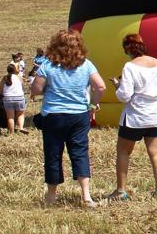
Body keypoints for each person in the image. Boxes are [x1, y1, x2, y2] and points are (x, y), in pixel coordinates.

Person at [31, 29, 106, 207]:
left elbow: (36, 90)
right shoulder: (86, 65)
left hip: (54, 115)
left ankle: (51, 196)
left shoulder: (47, 66)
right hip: (79, 115)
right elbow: (101, 87)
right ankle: (86, 196)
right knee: (80, 153)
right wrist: (93, 104)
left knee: (53, 154)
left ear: (54, 45)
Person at [106, 33, 157, 202]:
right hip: (156, 115)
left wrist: (117, 86)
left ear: (128, 50)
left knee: (123, 151)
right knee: (156, 153)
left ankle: (121, 190)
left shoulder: (130, 67)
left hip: (135, 116)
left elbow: (125, 95)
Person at [0, 64, 27, 134]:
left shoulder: (5, 78)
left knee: (10, 117)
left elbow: (1, 90)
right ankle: (21, 127)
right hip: (19, 97)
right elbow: (22, 87)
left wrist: (1, 95)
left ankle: (11, 133)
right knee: (20, 114)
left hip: (8, 98)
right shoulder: (19, 77)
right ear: (15, 70)